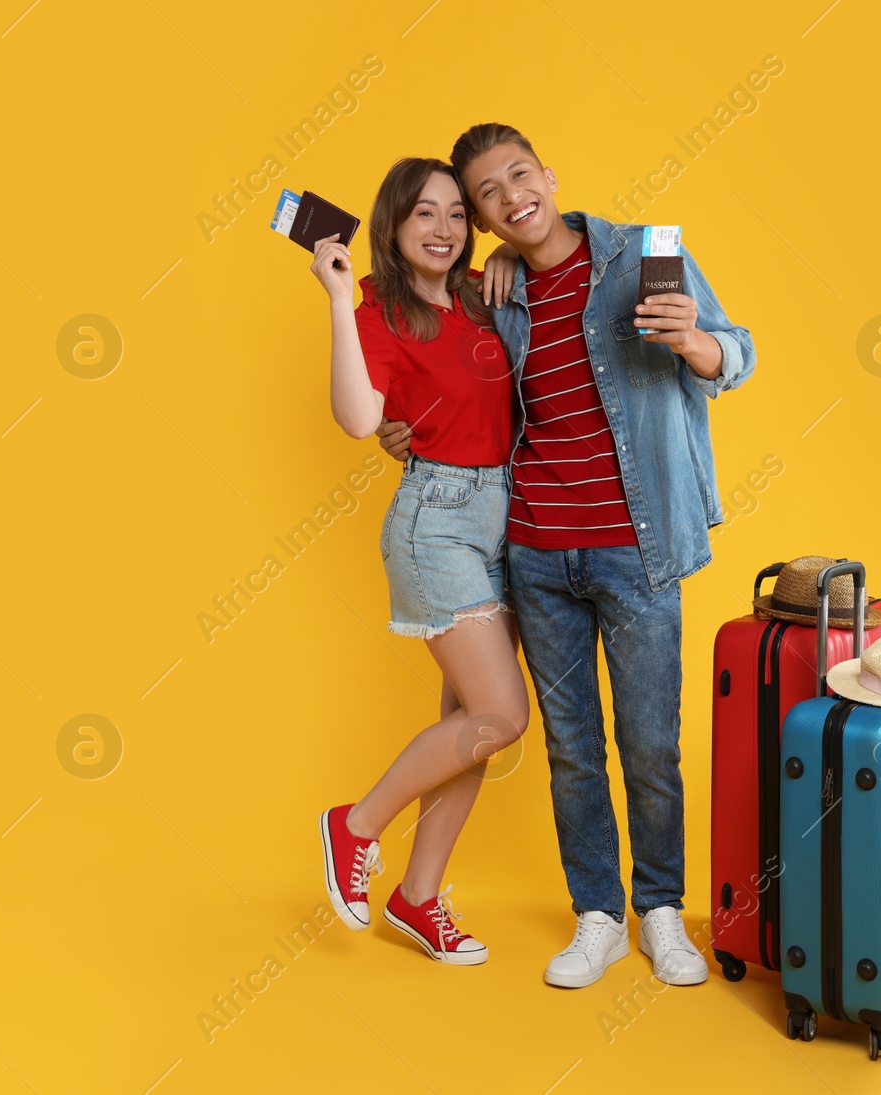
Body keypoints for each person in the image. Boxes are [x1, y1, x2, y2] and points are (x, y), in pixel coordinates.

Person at [377, 124, 755, 988]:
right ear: (480, 218)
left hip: (637, 549)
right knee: (572, 746)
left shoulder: (641, 256)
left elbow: (738, 354)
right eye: (488, 195)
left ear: (549, 175)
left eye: (519, 176)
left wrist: (695, 342)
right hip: (536, 555)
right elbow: (457, 390)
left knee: (651, 744)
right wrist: (402, 431)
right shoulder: (493, 292)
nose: (512, 198)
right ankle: (598, 914)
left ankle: (661, 910)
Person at [309, 156, 527, 966]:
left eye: (455, 215)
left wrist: (500, 255)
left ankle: (419, 895)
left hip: (503, 520)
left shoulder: (478, 294)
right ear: (393, 229)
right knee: (502, 715)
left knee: (469, 727)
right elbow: (362, 419)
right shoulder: (374, 307)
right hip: (435, 523)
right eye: (424, 215)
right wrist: (337, 299)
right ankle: (355, 824)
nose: (444, 230)